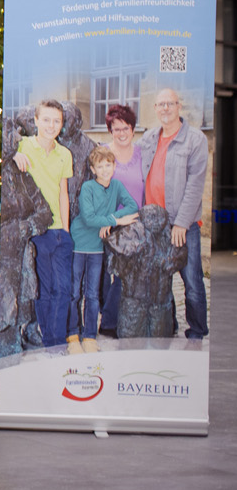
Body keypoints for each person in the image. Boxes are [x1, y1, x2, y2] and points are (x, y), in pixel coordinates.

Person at [140, 88, 208, 340]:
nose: (165, 108)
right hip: (155, 226)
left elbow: (195, 185)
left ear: (179, 106)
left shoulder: (195, 140)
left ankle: (198, 331)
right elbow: (122, 152)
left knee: (191, 282)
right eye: (161, 104)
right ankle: (169, 326)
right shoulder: (148, 138)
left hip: (184, 226)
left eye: (170, 103)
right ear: (155, 109)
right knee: (161, 283)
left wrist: (181, 223)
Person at [12, 100, 76, 351]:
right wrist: (13, 154)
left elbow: (63, 193)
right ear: (36, 121)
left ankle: (57, 340)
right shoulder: (23, 145)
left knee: (64, 289)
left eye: (57, 121)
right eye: (46, 120)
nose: (52, 125)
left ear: (62, 124)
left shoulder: (64, 154)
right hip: (37, 232)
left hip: (59, 232)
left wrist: (66, 230)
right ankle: (51, 341)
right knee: (45, 289)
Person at [70, 147, 139, 352]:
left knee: (92, 292)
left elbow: (132, 206)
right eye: (100, 166)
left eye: (108, 165)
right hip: (79, 244)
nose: (105, 169)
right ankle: (73, 334)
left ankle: (90, 336)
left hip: (97, 248)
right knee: (74, 292)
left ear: (114, 166)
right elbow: (88, 218)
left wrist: (110, 222)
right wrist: (113, 219)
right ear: (93, 169)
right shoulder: (88, 188)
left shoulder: (116, 186)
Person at [98, 104, 143, 335]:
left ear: (133, 129)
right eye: (116, 129)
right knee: (107, 273)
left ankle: (111, 320)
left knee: (126, 274)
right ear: (110, 130)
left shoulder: (143, 153)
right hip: (110, 222)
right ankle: (108, 320)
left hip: (136, 224)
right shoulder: (103, 152)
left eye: (125, 128)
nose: (121, 133)